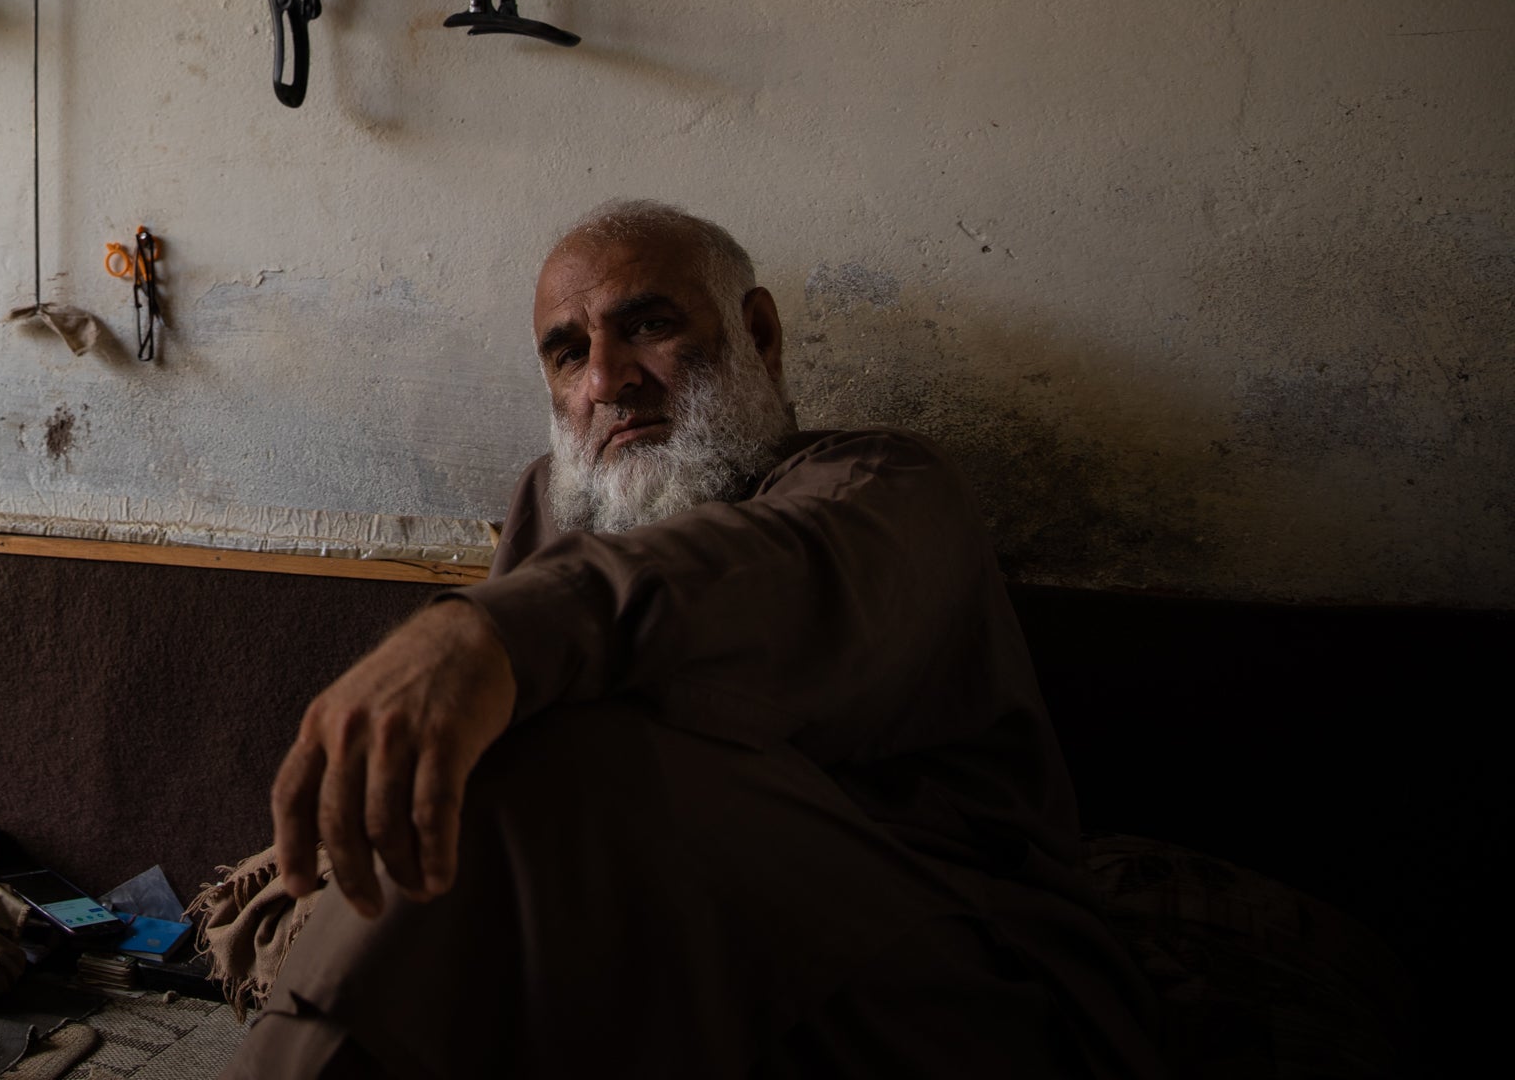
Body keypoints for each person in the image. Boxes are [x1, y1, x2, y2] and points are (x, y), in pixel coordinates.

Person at [221, 200, 1161, 1079]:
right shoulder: (551, 508)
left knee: (569, 752)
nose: (606, 378)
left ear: (756, 334)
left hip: (935, 961)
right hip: (641, 959)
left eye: (648, 326)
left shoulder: (887, 487)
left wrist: (485, 639)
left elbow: (756, 580)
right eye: (565, 352)